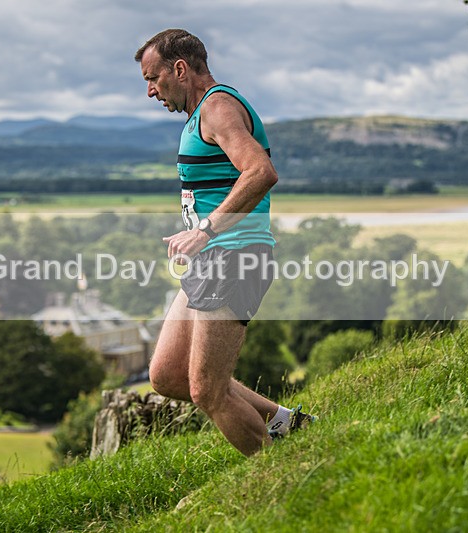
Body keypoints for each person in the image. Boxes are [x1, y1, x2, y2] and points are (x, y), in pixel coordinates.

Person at [134, 29, 314, 456]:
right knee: (166, 375)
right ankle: (295, 426)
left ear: (180, 68)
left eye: (153, 77)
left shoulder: (217, 107)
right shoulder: (201, 114)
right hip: (210, 260)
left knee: (207, 391)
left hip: (233, 256)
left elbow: (260, 171)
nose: (150, 91)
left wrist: (206, 229)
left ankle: (278, 475)